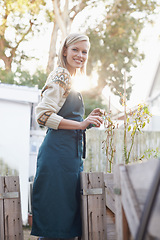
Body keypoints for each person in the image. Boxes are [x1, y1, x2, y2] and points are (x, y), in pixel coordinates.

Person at [31, 33, 103, 240]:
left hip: (69, 157)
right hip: (57, 157)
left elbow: (68, 121)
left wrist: (87, 121)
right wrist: (80, 123)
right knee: (57, 225)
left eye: (84, 52)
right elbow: (43, 115)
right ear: (64, 51)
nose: (80, 55)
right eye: (75, 50)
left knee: (64, 224)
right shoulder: (61, 76)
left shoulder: (71, 79)